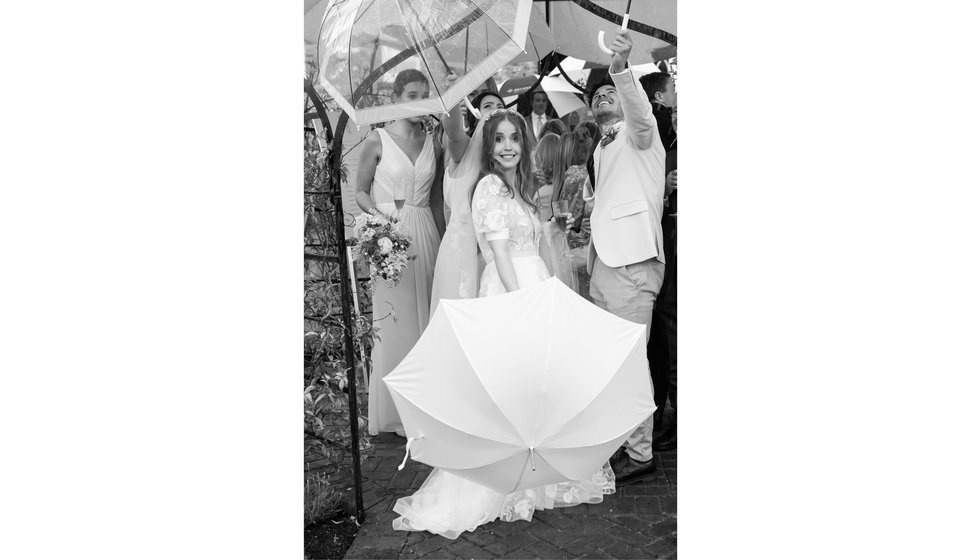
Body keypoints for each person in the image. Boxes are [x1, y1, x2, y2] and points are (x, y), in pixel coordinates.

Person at [392, 110, 614, 539]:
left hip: (534, 281)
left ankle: (536, 474)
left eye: (514, 138)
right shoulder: (489, 187)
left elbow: (527, 240)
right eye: (499, 140)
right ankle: (502, 484)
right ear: (489, 147)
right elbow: (498, 253)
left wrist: (550, 228)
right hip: (511, 290)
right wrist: (521, 304)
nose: (508, 146)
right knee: (510, 387)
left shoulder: (520, 187)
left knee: (539, 384)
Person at [580, 31, 667, 485]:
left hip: (633, 264)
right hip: (603, 267)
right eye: (595, 94)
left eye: (608, 92)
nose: (602, 98)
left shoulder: (642, 135)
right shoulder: (600, 147)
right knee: (611, 362)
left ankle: (640, 452)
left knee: (630, 362)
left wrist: (620, 67)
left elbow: (641, 112)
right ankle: (621, 442)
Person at [354, 69, 442, 437]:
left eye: (425, 94)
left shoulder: (433, 141)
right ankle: (395, 411)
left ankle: (429, 406)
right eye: (412, 94)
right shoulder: (376, 140)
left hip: (426, 234)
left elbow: (436, 199)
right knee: (395, 322)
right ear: (396, 97)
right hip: (389, 239)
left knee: (429, 320)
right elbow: (360, 192)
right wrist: (381, 224)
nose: (420, 100)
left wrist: (445, 238)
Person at [428, 84, 504, 315]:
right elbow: (452, 130)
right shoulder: (464, 149)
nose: (495, 110)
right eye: (488, 106)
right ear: (475, 114)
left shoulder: (508, 159)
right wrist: (453, 91)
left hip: (495, 249)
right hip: (462, 249)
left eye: (500, 106)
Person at [532, 133, 577, 292]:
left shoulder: (541, 194)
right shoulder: (563, 188)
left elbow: (539, 228)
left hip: (547, 251)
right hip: (563, 249)